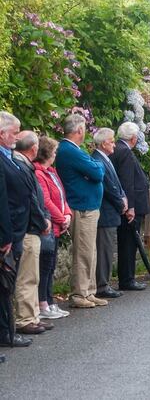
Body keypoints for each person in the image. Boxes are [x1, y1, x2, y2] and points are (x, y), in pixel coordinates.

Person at [56, 114, 107, 309]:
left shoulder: (74, 150)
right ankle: (79, 293)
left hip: (88, 206)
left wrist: (94, 167)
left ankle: (89, 290)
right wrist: (97, 166)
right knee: (83, 252)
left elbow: (94, 171)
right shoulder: (70, 150)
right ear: (79, 130)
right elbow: (97, 172)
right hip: (82, 207)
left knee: (90, 251)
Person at [12, 131, 52, 333]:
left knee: (32, 276)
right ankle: (25, 319)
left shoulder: (23, 165)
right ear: (34, 148)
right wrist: (42, 220)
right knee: (27, 277)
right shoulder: (20, 165)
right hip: (28, 228)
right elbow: (30, 199)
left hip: (31, 226)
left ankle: (33, 315)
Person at [0, 114, 32, 346]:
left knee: (7, 285)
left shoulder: (9, 156)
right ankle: (5, 333)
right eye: (14, 131)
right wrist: (6, 236)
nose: (17, 136)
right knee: (4, 285)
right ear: (2, 133)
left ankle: (6, 332)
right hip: (8, 232)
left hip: (16, 229)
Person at [33, 136, 72, 319]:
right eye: (54, 151)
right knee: (44, 266)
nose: (55, 154)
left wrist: (68, 215)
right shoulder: (39, 173)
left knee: (50, 266)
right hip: (50, 226)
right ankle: (43, 303)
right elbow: (46, 201)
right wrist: (60, 217)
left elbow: (62, 197)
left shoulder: (52, 172)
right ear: (47, 153)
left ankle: (49, 301)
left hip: (58, 224)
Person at [109, 122, 149, 291]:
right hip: (131, 207)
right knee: (129, 243)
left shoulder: (118, 149)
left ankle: (127, 277)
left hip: (127, 205)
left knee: (128, 241)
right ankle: (127, 279)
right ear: (133, 138)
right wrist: (130, 207)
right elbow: (127, 181)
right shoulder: (124, 151)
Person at [91, 128, 127, 299]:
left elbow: (116, 183)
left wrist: (123, 197)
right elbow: (108, 186)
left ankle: (104, 282)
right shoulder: (98, 159)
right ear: (104, 143)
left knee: (107, 248)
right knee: (104, 249)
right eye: (112, 141)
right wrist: (120, 203)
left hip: (110, 211)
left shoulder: (105, 158)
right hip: (105, 212)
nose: (114, 144)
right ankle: (102, 284)